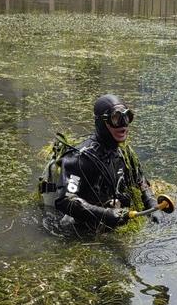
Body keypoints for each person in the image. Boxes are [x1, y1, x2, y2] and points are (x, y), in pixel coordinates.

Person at [54, 94, 161, 230]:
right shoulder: (80, 159)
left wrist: (152, 205)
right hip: (87, 231)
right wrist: (106, 215)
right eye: (116, 118)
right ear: (102, 122)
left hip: (118, 222)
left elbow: (140, 180)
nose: (123, 125)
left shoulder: (125, 153)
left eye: (127, 117)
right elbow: (66, 200)